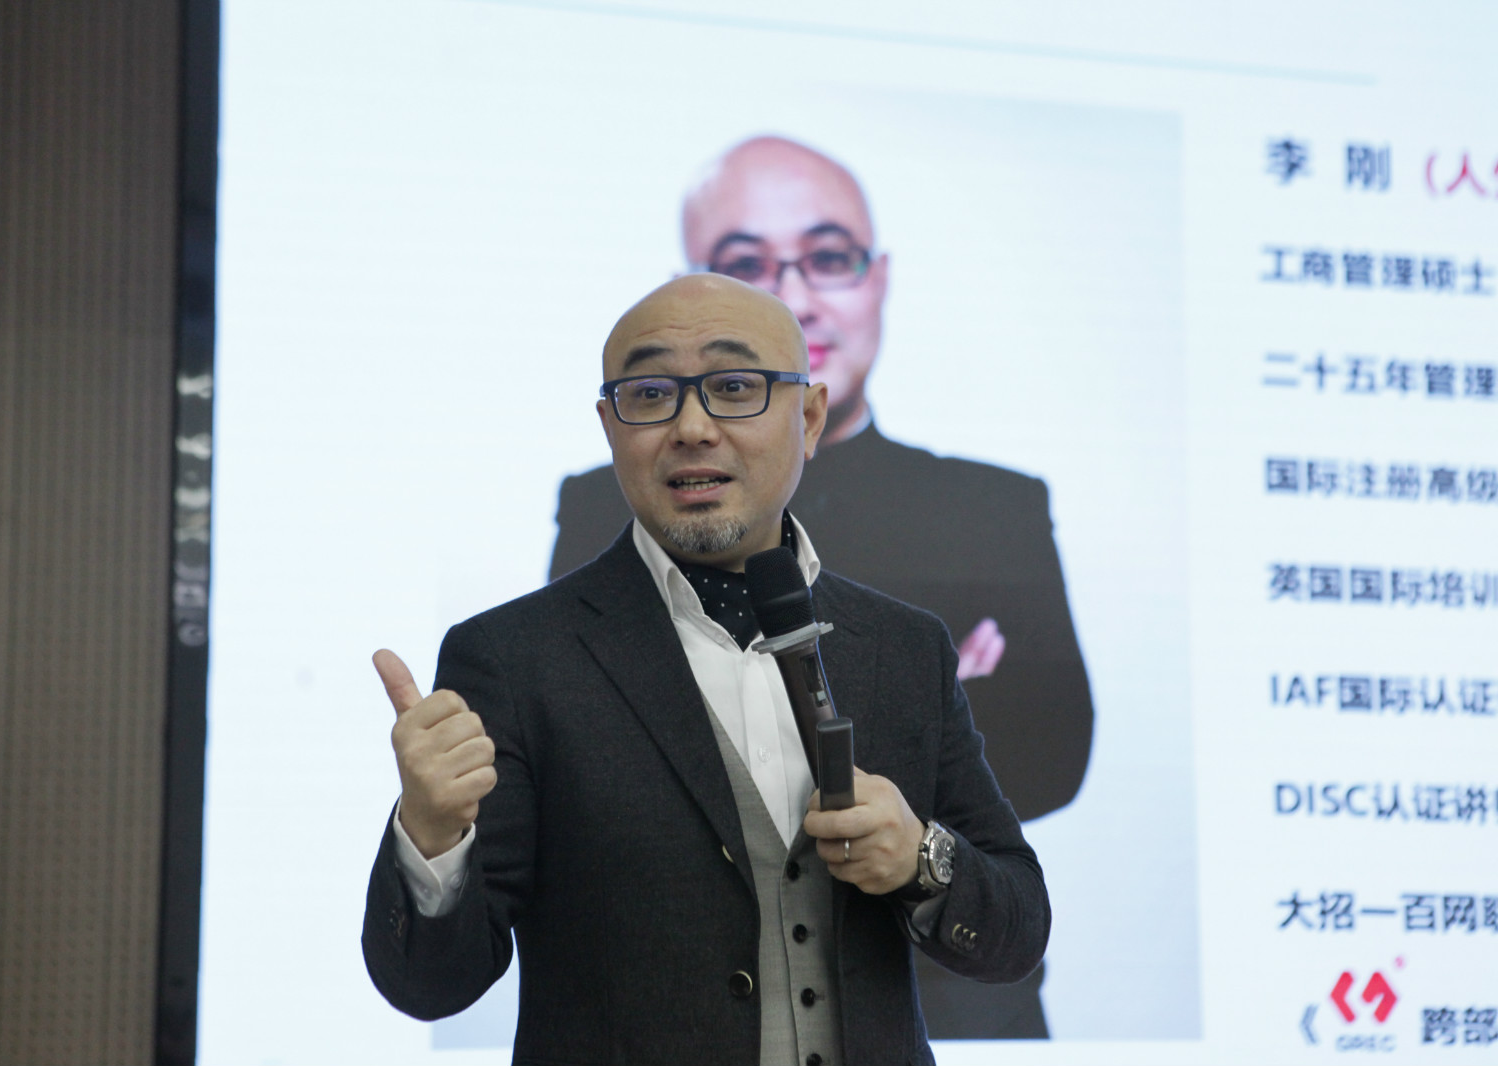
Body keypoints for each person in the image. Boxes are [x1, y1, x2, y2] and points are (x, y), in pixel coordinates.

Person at [362, 274, 1049, 1065]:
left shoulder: (904, 646)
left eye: (734, 387)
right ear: (610, 427)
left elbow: (1016, 930)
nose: (691, 428)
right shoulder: (514, 657)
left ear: (810, 418)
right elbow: (430, 986)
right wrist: (432, 834)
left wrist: (921, 858)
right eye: (650, 394)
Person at [548, 137, 1093, 1038]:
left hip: (948, 1012)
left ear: (879, 281)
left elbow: (1056, 754)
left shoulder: (986, 521)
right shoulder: (572, 549)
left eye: (829, 258)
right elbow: (597, 781)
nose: (796, 296)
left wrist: (916, 849)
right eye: (746, 265)